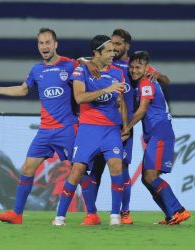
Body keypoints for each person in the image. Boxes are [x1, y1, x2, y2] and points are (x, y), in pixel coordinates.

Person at [0, 28, 79, 224]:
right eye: (41, 43)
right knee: (27, 168)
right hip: (45, 131)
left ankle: (92, 214)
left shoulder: (70, 65)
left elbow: (87, 75)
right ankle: (16, 214)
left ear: (55, 44)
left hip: (67, 129)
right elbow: (22, 90)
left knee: (80, 169)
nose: (44, 46)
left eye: (47, 42)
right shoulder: (37, 70)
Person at [80, 28, 171, 225]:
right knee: (95, 170)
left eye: (118, 44)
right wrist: (86, 63)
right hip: (100, 125)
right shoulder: (104, 62)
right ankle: (91, 214)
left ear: (127, 46)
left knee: (122, 169)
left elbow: (166, 80)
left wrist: (159, 75)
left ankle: (125, 212)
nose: (114, 47)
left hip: (123, 128)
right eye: (112, 44)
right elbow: (78, 60)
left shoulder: (133, 66)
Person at [52, 34, 128, 226]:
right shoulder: (81, 71)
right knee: (77, 171)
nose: (114, 53)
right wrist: (106, 89)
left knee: (116, 166)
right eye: (109, 50)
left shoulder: (118, 73)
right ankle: (60, 217)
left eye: (114, 50)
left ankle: (114, 217)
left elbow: (120, 102)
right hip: (88, 130)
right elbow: (79, 97)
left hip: (111, 130)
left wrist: (124, 125)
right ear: (97, 53)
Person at [122, 50, 190, 225]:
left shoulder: (145, 82)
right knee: (146, 178)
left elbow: (143, 108)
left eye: (138, 67)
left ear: (146, 67)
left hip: (160, 132)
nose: (134, 70)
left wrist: (127, 127)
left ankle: (178, 210)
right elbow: (166, 81)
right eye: (132, 67)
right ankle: (171, 214)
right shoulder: (147, 75)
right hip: (155, 133)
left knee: (150, 176)